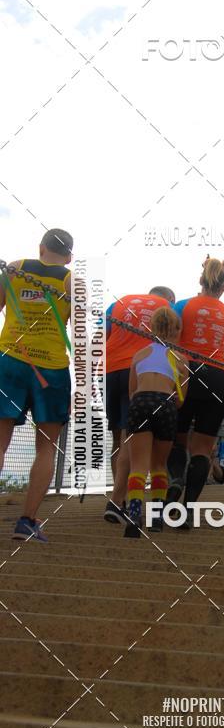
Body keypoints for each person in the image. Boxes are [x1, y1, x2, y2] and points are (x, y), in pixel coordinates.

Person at [0, 229, 73, 541]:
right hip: (52, 368)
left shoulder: (15, 267)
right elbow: (83, 334)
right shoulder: (73, 281)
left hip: (10, 359)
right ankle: (27, 521)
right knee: (46, 448)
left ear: (41, 248)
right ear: (69, 256)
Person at [167, 258, 224, 528]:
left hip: (186, 374)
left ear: (200, 280)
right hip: (218, 379)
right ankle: (189, 509)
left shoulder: (182, 306)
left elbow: (170, 344)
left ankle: (174, 481)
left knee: (177, 440)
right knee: (203, 449)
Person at [104, 286, 175, 524]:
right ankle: (116, 500)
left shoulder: (120, 301)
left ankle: (122, 499)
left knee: (118, 437)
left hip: (112, 369)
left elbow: (100, 338)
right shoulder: (165, 309)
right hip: (140, 370)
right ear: (169, 300)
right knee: (130, 439)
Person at [122, 307, 187, 537]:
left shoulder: (139, 355)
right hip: (166, 406)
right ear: (177, 330)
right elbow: (180, 401)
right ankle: (157, 519)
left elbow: (132, 392)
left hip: (141, 402)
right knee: (159, 465)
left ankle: (133, 516)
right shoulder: (181, 359)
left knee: (138, 466)